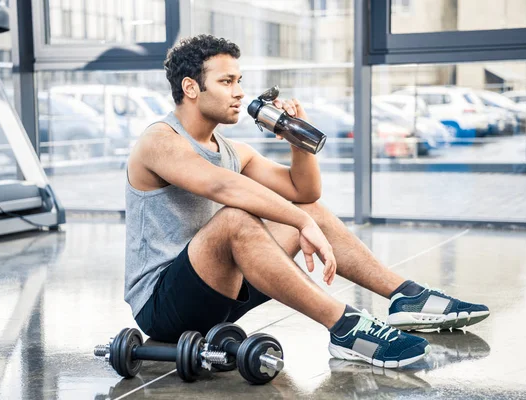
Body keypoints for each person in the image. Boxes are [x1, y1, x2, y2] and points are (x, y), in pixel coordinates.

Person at [124, 34, 489, 368]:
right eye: (226, 81)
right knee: (236, 219)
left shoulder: (234, 150)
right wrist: (301, 225)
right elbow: (223, 189)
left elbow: (305, 192)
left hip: (219, 292)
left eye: (239, 81)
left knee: (305, 210)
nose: (238, 92)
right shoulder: (160, 140)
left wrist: (296, 140)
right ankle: (346, 326)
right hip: (162, 305)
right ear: (190, 87)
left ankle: (406, 296)